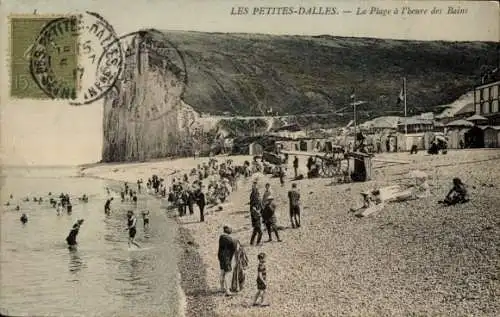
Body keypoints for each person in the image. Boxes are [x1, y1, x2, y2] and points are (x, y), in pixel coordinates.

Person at [217, 225, 238, 296]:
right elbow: (233, 243)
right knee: (227, 272)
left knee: (222, 272)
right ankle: (227, 290)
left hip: (222, 256)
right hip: (226, 258)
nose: (231, 229)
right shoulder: (226, 237)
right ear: (226, 229)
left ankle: (222, 288)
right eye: (230, 228)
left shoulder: (222, 237)